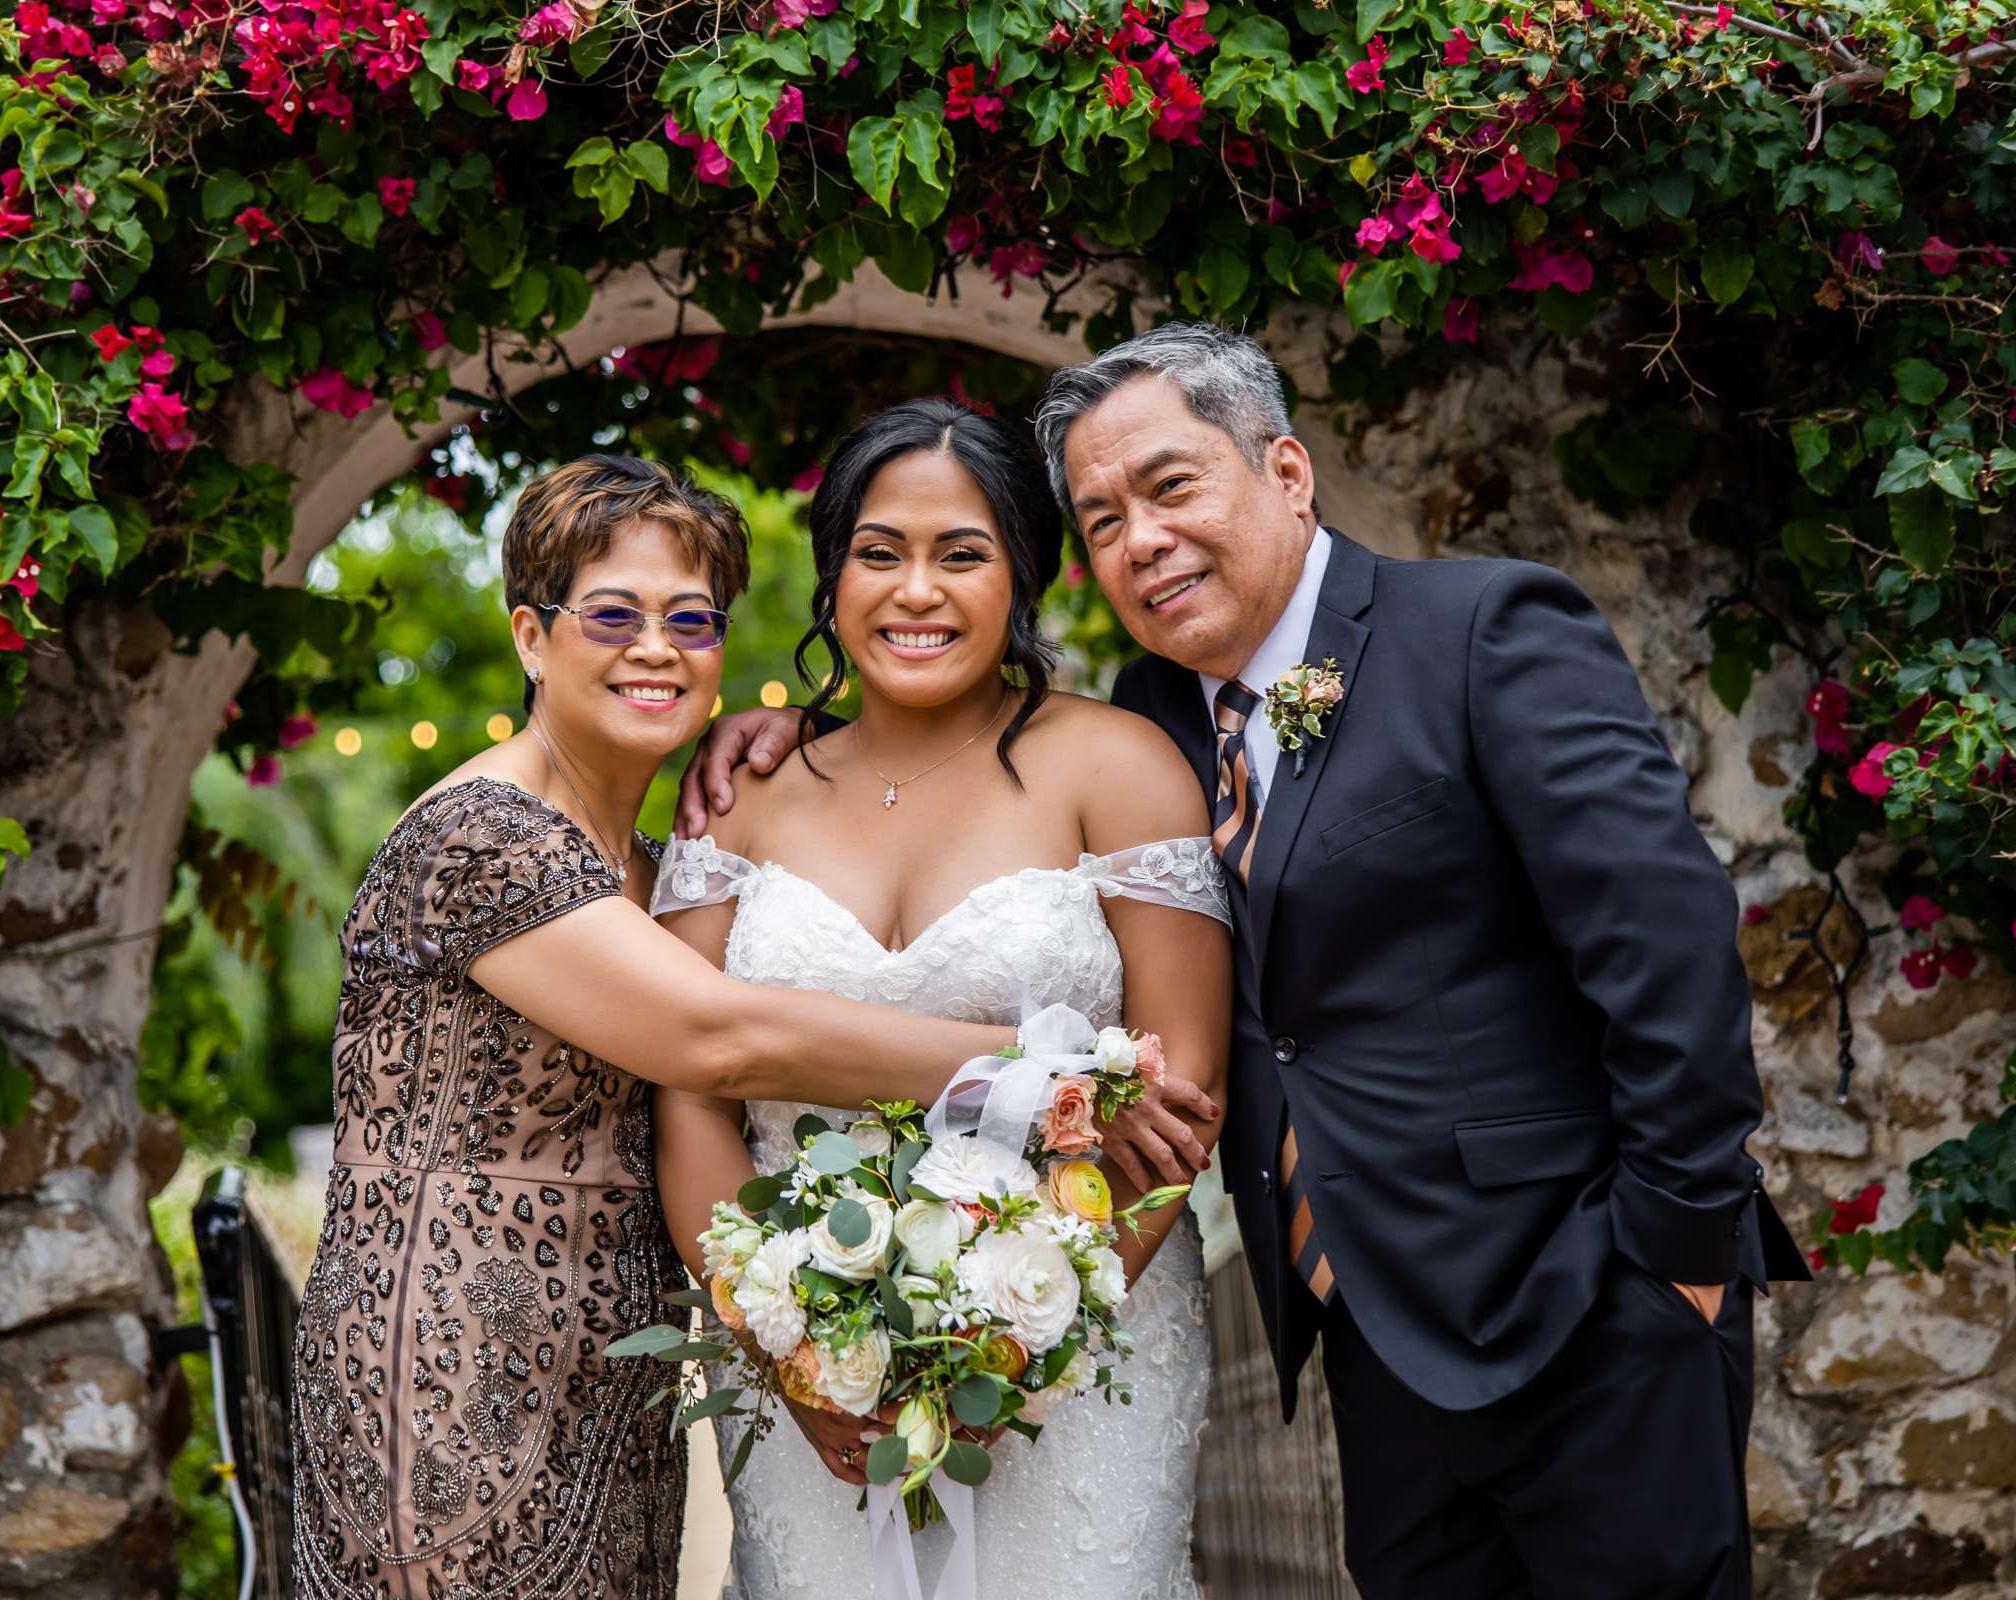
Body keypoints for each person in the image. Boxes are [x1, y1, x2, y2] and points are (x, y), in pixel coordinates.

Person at [680, 325, 1813, 1600]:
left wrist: (1679, 1259)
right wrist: (790, 725)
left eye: (1171, 487)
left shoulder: (1482, 630)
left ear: (1286, 471)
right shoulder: (1163, 717)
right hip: (1376, 1339)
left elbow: (1665, 949)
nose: (1142, 540)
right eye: (1103, 520)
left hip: (1590, 1304)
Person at [287, 455, 1203, 1600]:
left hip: (611, 1388)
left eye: (692, 619)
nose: (657, 648)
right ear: (531, 635)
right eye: (612, 614)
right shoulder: (484, 835)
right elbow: (716, 1039)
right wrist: (1062, 1074)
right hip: (448, 1367)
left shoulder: (650, 854)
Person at [650, 398, 1232, 1599]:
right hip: (802, 1369)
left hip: (1081, 1359)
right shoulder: (738, 796)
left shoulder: (1118, 766)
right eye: (880, 552)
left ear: (1022, 572)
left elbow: (1178, 1105)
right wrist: (795, 1360)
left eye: (961, 554)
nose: (916, 591)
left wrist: (1020, 1351)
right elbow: (687, 1094)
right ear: (833, 574)